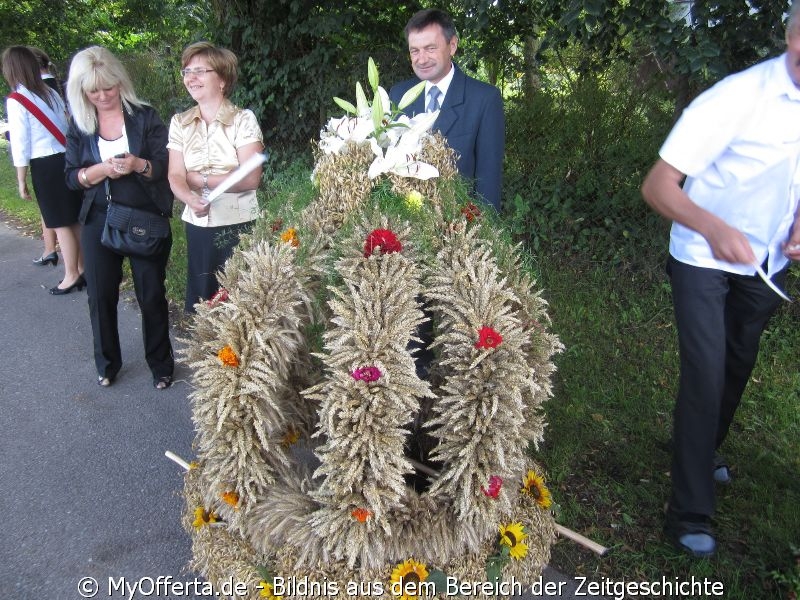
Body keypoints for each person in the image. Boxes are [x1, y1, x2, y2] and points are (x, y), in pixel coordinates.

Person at [640, 2, 800, 558]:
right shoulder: (737, 98)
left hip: (765, 264)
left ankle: (701, 451)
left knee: (736, 365)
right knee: (705, 375)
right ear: (790, 32)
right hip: (702, 258)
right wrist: (713, 228)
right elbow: (658, 186)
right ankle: (689, 513)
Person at [64, 46, 174, 389]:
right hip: (98, 217)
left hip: (144, 217)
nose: (102, 96)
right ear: (82, 92)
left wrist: (136, 165)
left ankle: (161, 365)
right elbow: (71, 177)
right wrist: (99, 170)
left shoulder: (145, 116)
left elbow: (165, 166)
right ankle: (107, 364)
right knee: (99, 295)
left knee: (151, 294)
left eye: (108, 88)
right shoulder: (80, 125)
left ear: (120, 82)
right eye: (93, 91)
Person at [167, 41, 264, 314]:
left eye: (200, 71)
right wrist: (189, 196)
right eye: (187, 71)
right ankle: (208, 355)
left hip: (238, 223)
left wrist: (200, 180)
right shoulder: (180, 122)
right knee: (203, 304)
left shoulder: (243, 120)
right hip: (197, 223)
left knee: (237, 302)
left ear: (222, 79)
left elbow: (250, 179)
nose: (191, 77)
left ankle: (236, 356)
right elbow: (175, 174)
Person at [389, 8, 504, 211]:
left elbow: (488, 184)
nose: (421, 59)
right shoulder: (398, 96)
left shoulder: (484, 99)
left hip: (458, 228)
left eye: (430, 48)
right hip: (404, 228)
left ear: (452, 46)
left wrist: (483, 237)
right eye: (414, 50)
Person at [2, 45, 83, 289]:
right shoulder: (51, 93)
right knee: (74, 218)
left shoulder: (17, 100)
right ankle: (83, 268)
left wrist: (20, 179)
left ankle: (71, 276)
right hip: (66, 159)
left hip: (45, 165)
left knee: (59, 222)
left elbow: (20, 143)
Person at [28, 46, 63, 266]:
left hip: (48, 155)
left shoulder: (37, 91)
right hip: (65, 151)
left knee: (55, 210)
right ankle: (49, 249)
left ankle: (54, 252)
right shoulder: (57, 86)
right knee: (52, 207)